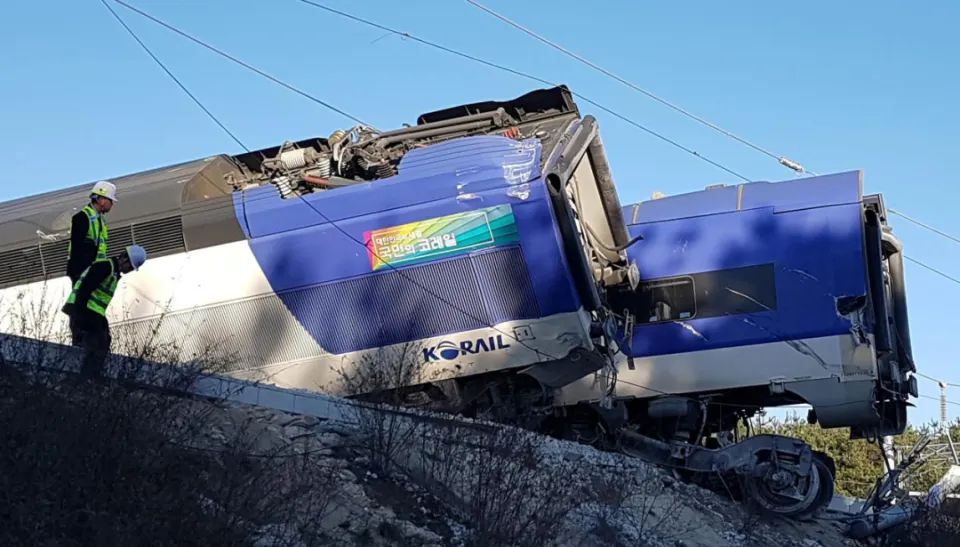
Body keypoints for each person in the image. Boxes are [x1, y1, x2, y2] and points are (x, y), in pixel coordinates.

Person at [61, 245, 147, 381]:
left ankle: (90, 376)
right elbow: (84, 290)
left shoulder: (113, 273)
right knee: (96, 342)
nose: (129, 270)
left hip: (93, 313)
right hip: (83, 311)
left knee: (104, 340)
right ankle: (86, 378)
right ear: (124, 258)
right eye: (130, 267)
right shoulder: (105, 267)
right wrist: (79, 316)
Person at [67, 180, 118, 284]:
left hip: (95, 271)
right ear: (101, 200)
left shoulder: (99, 219)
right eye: (110, 200)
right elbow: (77, 249)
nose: (112, 204)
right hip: (84, 272)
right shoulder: (82, 217)